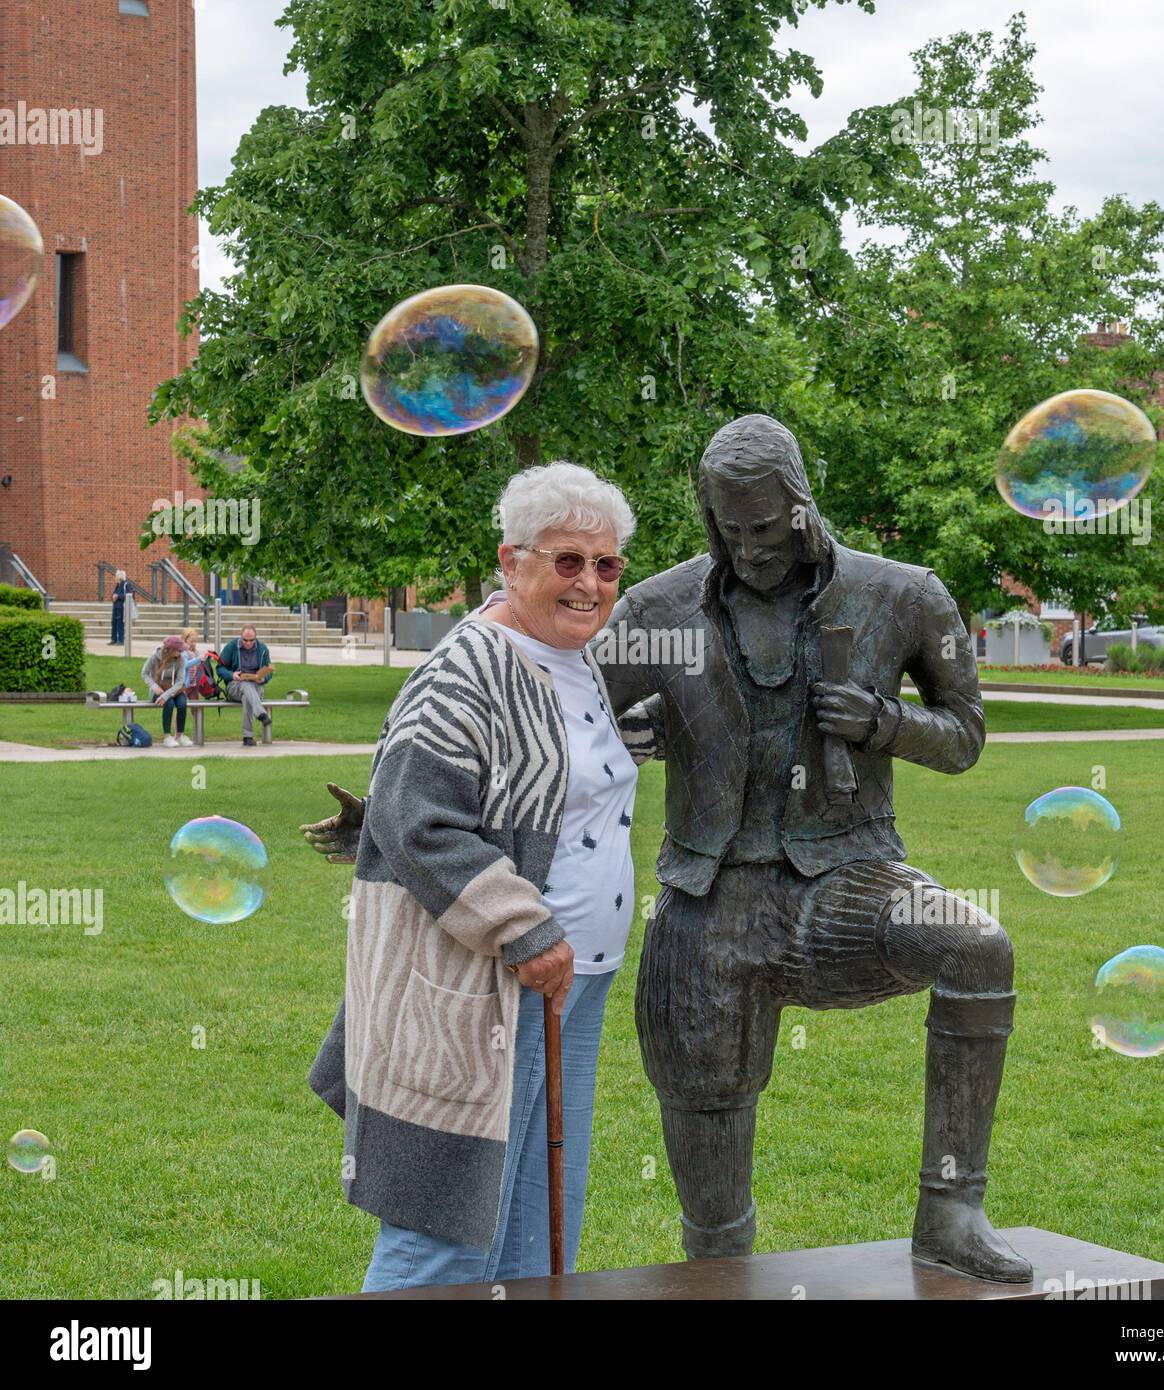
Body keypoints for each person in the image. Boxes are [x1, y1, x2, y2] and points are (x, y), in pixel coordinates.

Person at [591, 413, 1030, 1282]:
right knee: (709, 1161)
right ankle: (717, 1275)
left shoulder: (903, 595)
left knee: (977, 948)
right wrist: (635, 726)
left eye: (763, 526)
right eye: (728, 527)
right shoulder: (662, 608)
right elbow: (558, 713)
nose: (746, 547)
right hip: (711, 895)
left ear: (801, 505)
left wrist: (886, 722)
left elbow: (967, 735)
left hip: (848, 877)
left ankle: (952, 1211)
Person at [304, 461, 661, 1290]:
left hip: (577, 985)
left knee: (537, 1222)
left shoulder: (581, 660)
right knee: (450, 1230)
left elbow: (574, 774)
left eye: (606, 566)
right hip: (485, 989)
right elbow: (414, 817)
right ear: (511, 561)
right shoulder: (467, 670)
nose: (590, 583)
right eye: (567, 561)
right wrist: (522, 928)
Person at [216, 625, 275, 747]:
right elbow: (220, 668)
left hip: (256, 687)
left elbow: (269, 670)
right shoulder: (231, 647)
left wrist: (263, 678)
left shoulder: (263, 649)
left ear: (256, 638)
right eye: (245, 640)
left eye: (251, 640)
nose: (248, 643)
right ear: (240, 637)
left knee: (247, 697)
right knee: (245, 684)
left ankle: (248, 738)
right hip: (235, 686)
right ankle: (261, 714)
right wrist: (232, 675)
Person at [140, 635, 192, 748]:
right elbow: (144, 673)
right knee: (169, 704)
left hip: (175, 690)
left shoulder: (181, 660)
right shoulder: (154, 657)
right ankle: (167, 736)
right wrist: (155, 687)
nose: (181, 652)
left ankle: (180, 735)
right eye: (179, 650)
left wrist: (166, 695)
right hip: (158, 691)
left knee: (182, 704)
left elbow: (180, 682)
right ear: (171, 650)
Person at [109, 569, 132, 646]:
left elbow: (129, 596)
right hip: (115, 607)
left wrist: (118, 596)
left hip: (121, 608)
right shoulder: (118, 585)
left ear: (119, 577)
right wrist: (113, 597)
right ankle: (114, 639)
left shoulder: (126, 585)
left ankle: (121, 640)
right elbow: (114, 595)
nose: (115, 578)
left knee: (120, 623)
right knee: (114, 623)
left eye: (116, 576)